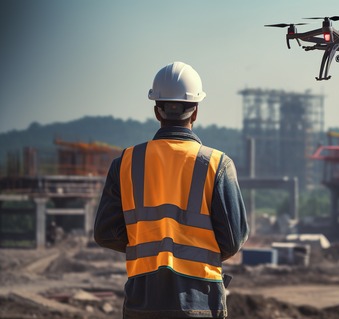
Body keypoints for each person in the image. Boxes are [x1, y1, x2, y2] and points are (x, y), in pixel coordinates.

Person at [94, 61, 249, 318]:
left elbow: (105, 233)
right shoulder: (217, 164)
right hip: (200, 299)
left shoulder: (125, 163)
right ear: (196, 111)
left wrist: (145, 243)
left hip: (142, 299)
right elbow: (233, 240)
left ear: (157, 111)